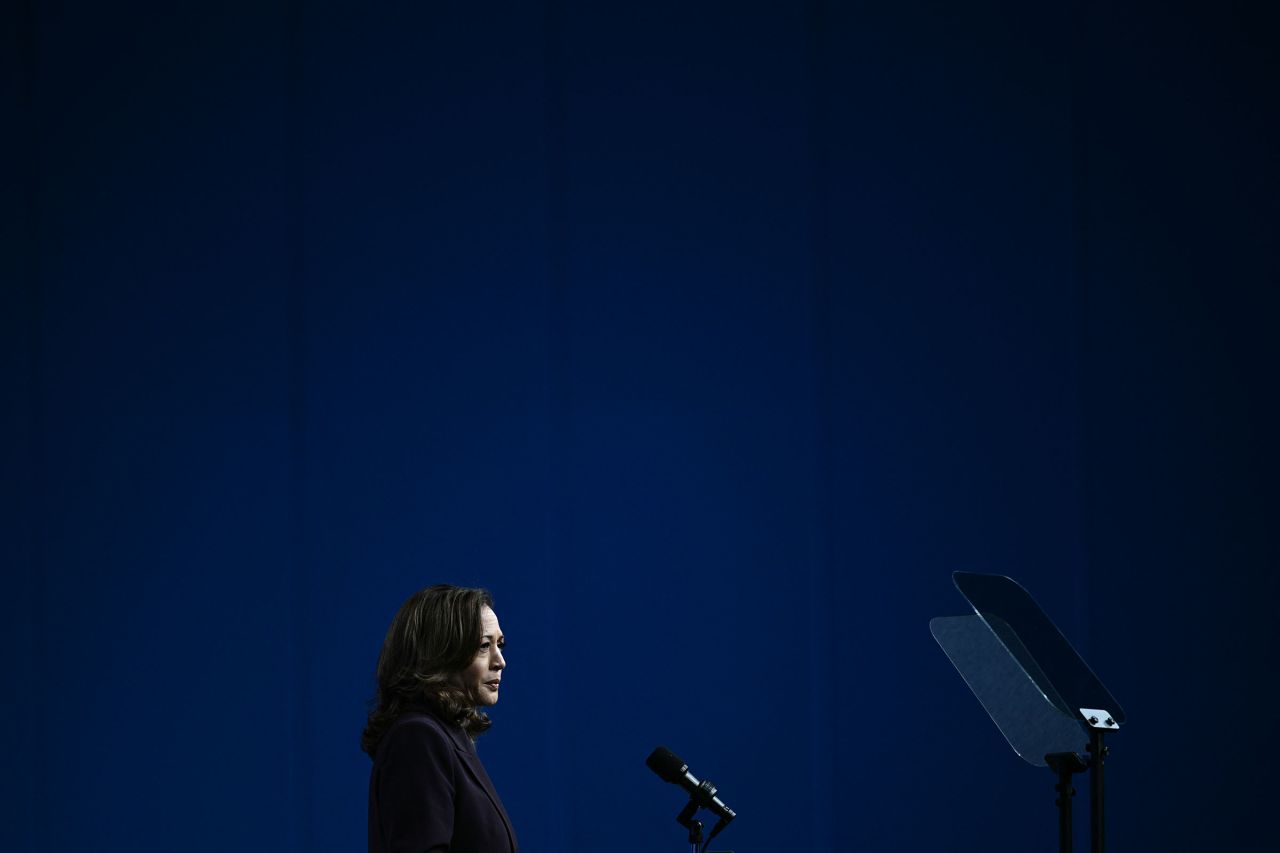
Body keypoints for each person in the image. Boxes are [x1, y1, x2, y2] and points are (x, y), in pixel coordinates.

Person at [363, 584, 519, 853]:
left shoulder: (445, 736)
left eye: (499, 645)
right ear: (442, 653)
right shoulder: (418, 739)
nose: (500, 661)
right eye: (484, 645)